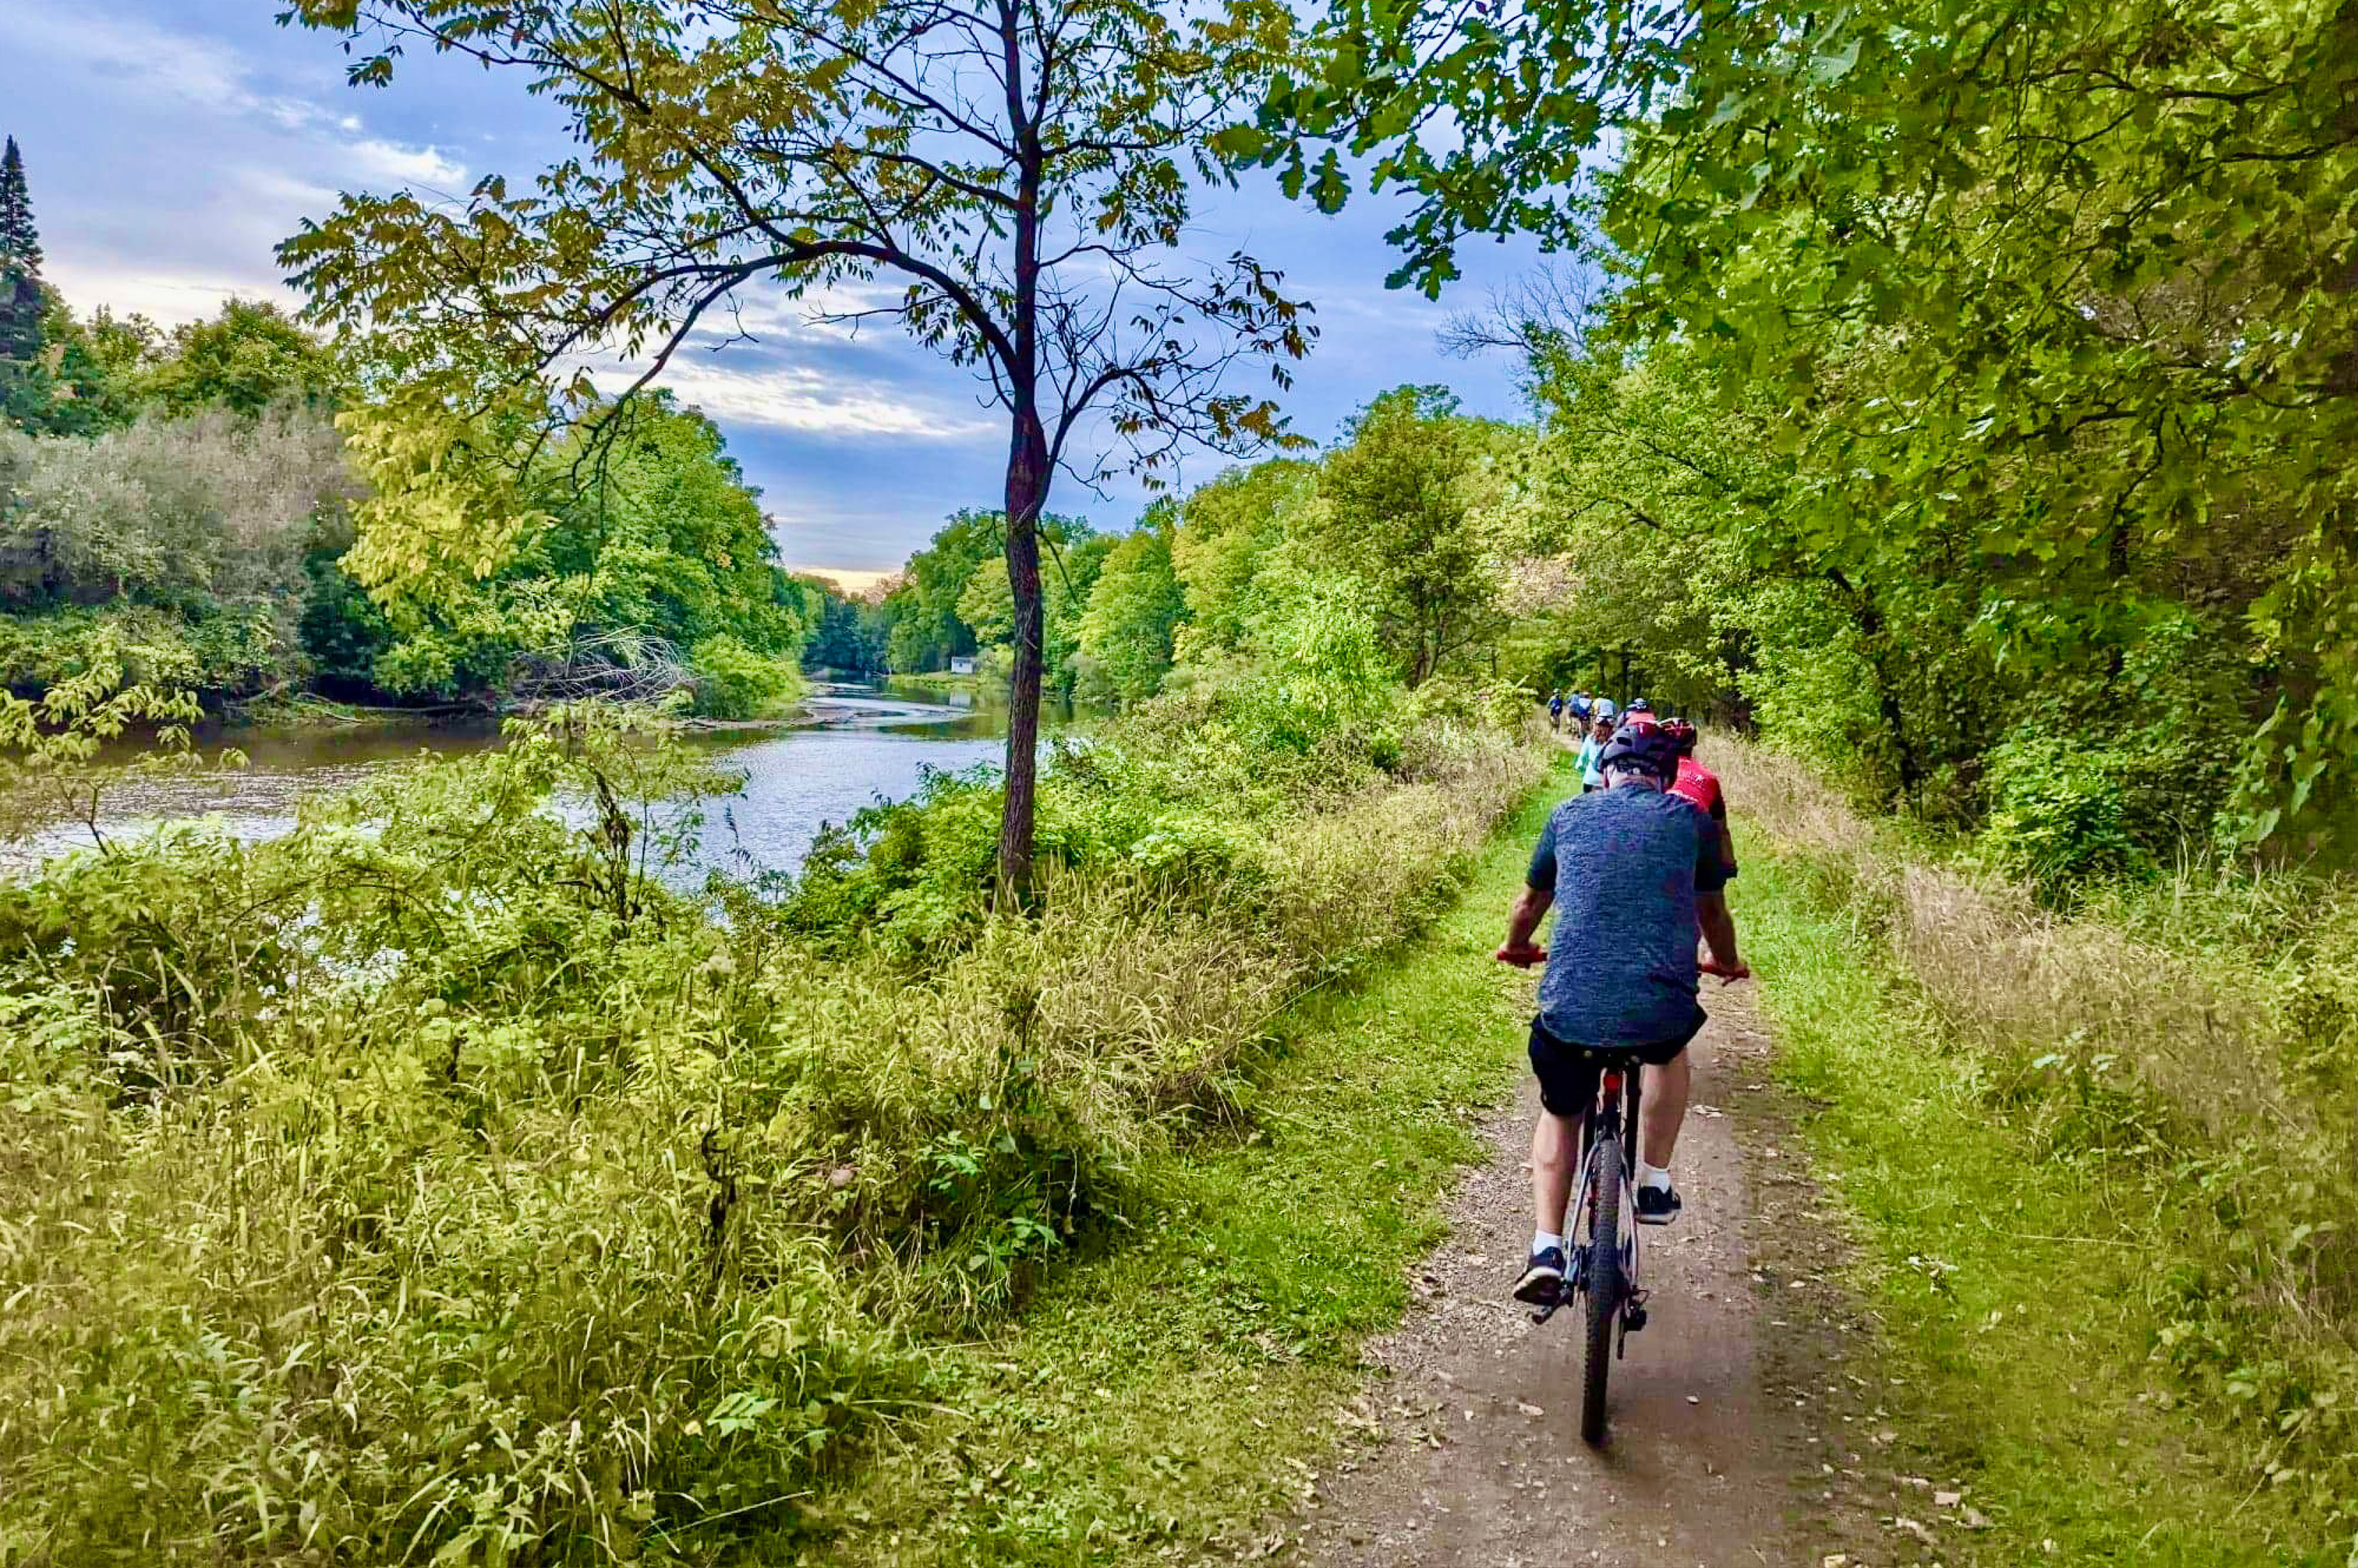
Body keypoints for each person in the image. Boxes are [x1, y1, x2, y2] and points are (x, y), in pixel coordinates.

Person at [1493, 718, 1749, 1306]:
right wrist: (1726, 961)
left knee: (1561, 1111)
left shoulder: (1567, 815)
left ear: (1604, 773)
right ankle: (1653, 1181)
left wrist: (1515, 947)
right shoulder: (1691, 821)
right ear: (1665, 777)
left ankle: (1546, 1249)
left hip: (1571, 1007)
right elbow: (1712, 913)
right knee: (1669, 1049)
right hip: (1658, 1009)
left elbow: (1529, 904)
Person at [1664, 717, 1738, 878]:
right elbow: (1721, 828)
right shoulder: (1709, 777)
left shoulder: (1656, 775)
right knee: (1710, 890)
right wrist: (1729, 863)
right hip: (1700, 838)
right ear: (1694, 742)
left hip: (1664, 838)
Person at [1575, 712, 1611, 791]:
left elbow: (1582, 758)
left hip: (1590, 780)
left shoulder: (1590, 739)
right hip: (1607, 782)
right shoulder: (1614, 741)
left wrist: (1580, 767)